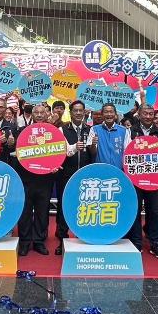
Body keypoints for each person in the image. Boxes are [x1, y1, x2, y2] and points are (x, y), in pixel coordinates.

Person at [125, 103, 158, 258]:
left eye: (151, 114)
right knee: (135, 209)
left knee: (155, 211)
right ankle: (136, 242)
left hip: (155, 178)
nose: (148, 117)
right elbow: (126, 152)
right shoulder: (131, 131)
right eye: (145, 113)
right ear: (139, 114)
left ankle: (155, 243)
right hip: (136, 177)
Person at [16, 104, 56, 257]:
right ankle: (25, 242)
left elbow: (58, 153)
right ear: (31, 115)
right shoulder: (22, 131)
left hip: (45, 179)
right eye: (36, 113)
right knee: (25, 211)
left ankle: (39, 241)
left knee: (42, 211)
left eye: (42, 112)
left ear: (46, 114)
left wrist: (55, 164)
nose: (39, 115)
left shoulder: (53, 132)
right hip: (25, 178)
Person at [55, 100, 92, 255]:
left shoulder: (90, 130)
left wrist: (93, 145)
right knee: (64, 206)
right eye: (75, 110)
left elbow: (93, 152)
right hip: (66, 174)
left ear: (84, 112)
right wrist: (75, 148)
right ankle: (61, 239)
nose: (78, 113)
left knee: (82, 205)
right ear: (70, 112)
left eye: (80, 110)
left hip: (84, 175)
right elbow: (62, 151)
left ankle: (80, 236)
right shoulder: (62, 129)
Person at [0, 98, 17, 164]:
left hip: (2, 163)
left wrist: (11, 144)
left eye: (1, 107)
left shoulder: (12, 127)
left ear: (5, 109)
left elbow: (13, 151)